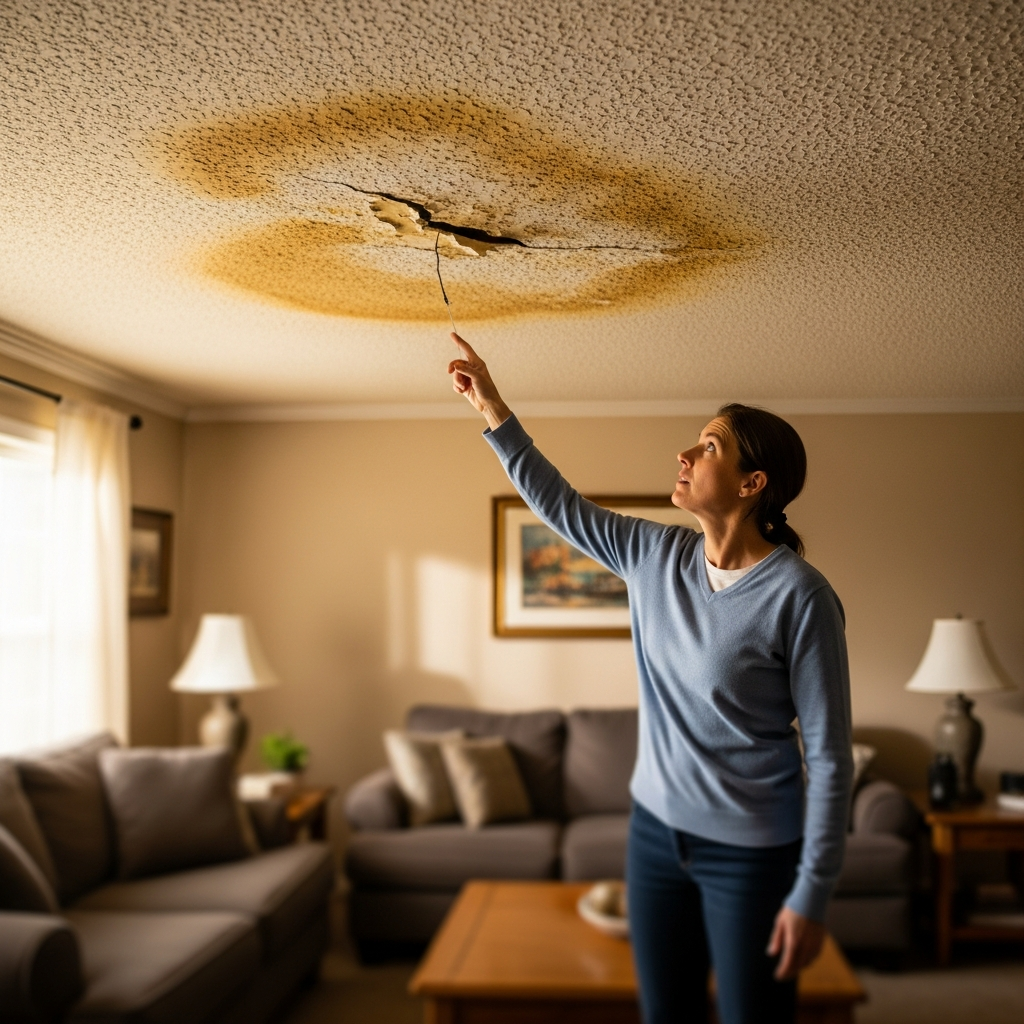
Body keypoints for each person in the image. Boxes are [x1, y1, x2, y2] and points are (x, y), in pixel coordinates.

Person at [447, 334, 853, 1024]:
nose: (686, 455)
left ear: (753, 485)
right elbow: (559, 505)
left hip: (754, 854)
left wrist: (812, 891)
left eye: (710, 447)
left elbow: (832, 758)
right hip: (655, 836)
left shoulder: (801, 597)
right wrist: (492, 405)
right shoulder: (654, 553)